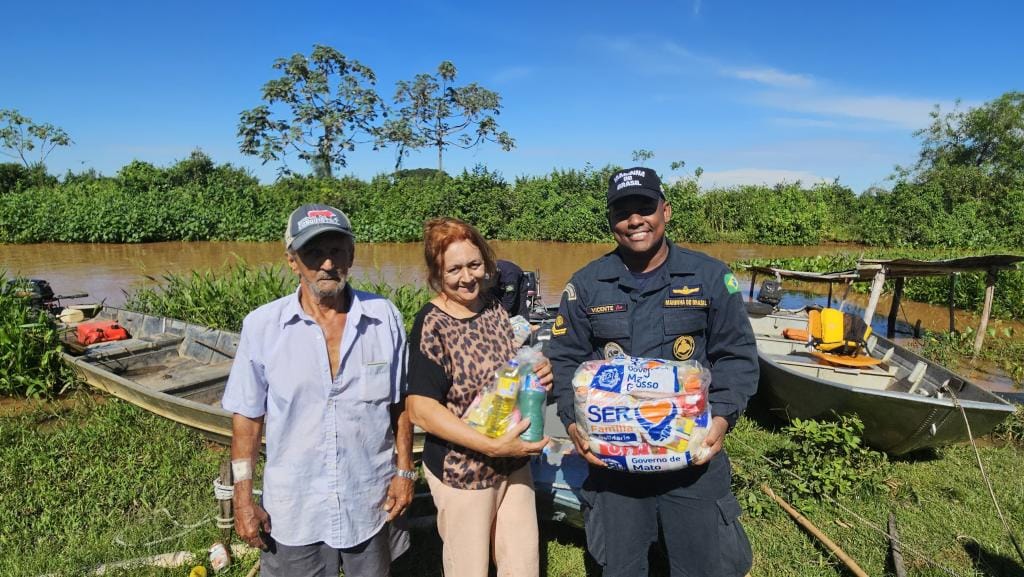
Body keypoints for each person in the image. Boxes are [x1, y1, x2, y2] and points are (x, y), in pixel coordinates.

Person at [547, 167, 759, 577]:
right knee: (621, 566)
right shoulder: (586, 285)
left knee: (704, 566)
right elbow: (563, 359)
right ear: (611, 220)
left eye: (644, 207)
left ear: (666, 211)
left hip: (689, 458)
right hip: (616, 463)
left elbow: (737, 356)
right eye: (622, 211)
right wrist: (573, 424)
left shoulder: (710, 277)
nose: (634, 220)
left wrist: (720, 418)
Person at [222, 204, 415, 577]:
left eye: (337, 251)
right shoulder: (262, 326)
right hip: (295, 505)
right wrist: (243, 499)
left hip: (368, 497)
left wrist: (405, 472)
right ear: (292, 261)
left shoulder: (384, 317)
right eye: (313, 253)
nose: (327, 263)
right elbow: (247, 417)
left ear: (351, 256)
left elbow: (400, 404)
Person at [405, 217, 552, 577]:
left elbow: (505, 371)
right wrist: (490, 446)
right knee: (469, 568)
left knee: (523, 564)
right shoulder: (432, 324)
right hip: (463, 471)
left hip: (513, 461)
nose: (467, 277)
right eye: (454, 269)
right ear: (436, 273)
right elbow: (420, 409)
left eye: (474, 264)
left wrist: (537, 370)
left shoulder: (493, 307)